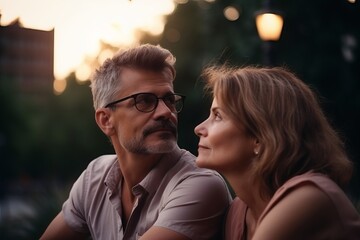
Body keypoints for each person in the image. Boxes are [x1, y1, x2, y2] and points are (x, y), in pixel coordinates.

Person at [40, 44, 230, 240]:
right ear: (106, 120)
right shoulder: (95, 178)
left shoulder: (200, 185)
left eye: (169, 99)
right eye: (144, 101)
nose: (166, 112)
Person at [194, 65, 360, 240]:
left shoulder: (308, 197)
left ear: (260, 137)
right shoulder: (237, 213)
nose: (199, 129)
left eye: (217, 116)